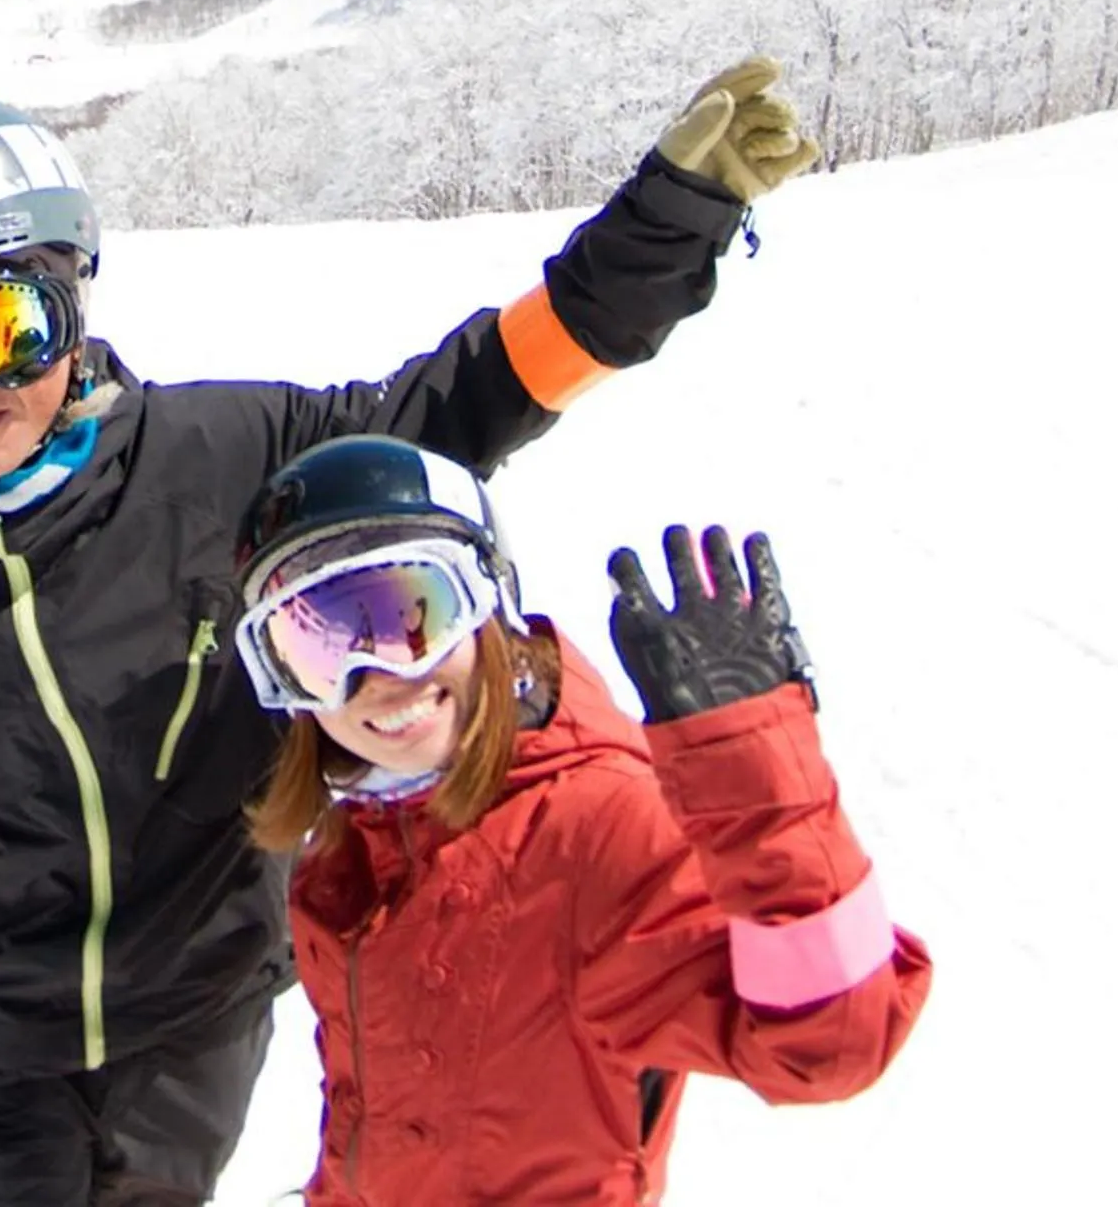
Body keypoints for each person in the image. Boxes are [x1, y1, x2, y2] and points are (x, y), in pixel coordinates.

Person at [0, 60, 817, 1207]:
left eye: (14, 325)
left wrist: (663, 228)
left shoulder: (229, 458)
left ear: (77, 312)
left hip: (196, 1013)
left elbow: (471, 399)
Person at [237, 434, 932, 1206]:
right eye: (317, 644)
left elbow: (835, 1043)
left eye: (414, 618)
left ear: (490, 602)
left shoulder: (596, 831)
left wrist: (756, 769)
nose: (376, 679)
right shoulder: (355, 846)